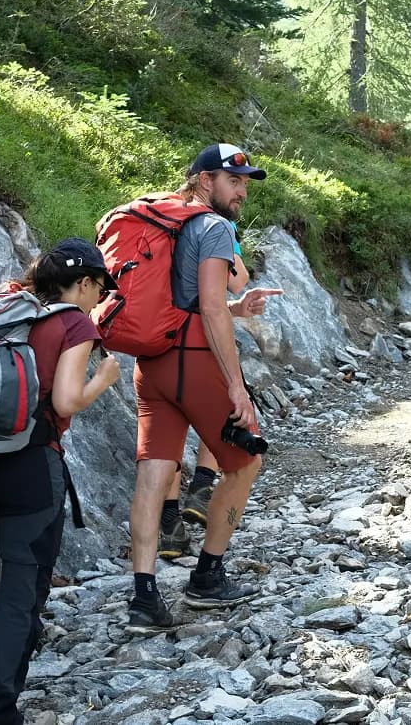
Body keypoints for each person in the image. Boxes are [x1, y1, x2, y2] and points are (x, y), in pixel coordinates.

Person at [0, 238, 120, 724]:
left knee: (18, 578)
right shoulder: (73, 322)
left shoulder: (11, 309)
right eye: (98, 287)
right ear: (84, 283)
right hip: (29, 466)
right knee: (24, 589)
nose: (99, 297)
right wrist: (103, 379)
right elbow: (66, 402)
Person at [127, 143, 282, 633]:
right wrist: (236, 386)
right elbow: (212, 309)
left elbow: (184, 299)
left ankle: (144, 599)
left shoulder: (165, 222)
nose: (240, 192)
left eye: (243, 183)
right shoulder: (215, 228)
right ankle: (207, 577)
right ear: (201, 180)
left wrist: (237, 310)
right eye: (231, 181)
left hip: (151, 364)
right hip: (194, 363)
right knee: (245, 461)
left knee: (154, 472)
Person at [160, 224, 249, 560]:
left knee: (167, 440)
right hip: (198, 344)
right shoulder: (217, 227)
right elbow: (236, 281)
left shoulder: (164, 224)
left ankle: (169, 527)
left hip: (156, 342)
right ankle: (200, 488)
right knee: (219, 420)